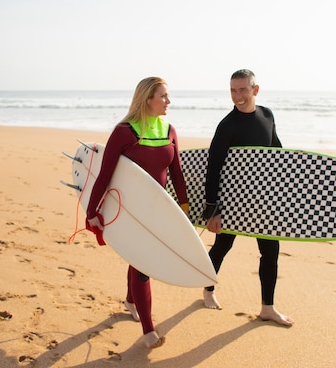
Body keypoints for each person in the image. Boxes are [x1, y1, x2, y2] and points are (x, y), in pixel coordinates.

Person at [86, 77, 190, 349]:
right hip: (131, 212)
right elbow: (105, 174)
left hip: (159, 211)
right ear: (147, 99)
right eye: (163, 96)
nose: (169, 102)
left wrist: (184, 209)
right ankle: (148, 332)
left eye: (168, 96)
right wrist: (91, 211)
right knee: (143, 264)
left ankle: (131, 300)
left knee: (138, 260)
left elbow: (177, 174)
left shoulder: (169, 130)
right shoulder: (124, 132)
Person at [201, 69, 294, 326]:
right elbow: (213, 169)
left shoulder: (267, 115)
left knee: (270, 251)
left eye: (243, 89)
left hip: (262, 200)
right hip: (232, 200)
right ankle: (208, 289)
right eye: (233, 90)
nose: (238, 96)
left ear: (255, 89)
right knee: (222, 246)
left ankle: (268, 307)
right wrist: (212, 210)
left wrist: (287, 187)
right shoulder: (227, 126)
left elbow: (276, 151)